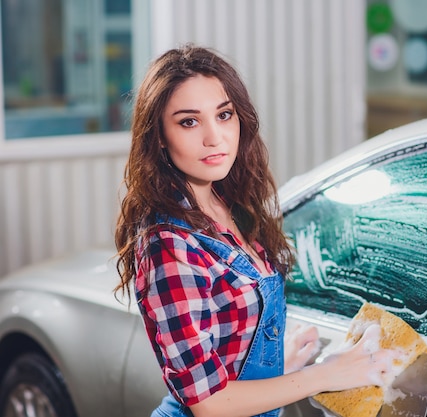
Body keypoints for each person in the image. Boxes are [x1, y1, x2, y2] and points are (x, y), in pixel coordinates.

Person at [114, 44, 396, 417]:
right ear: (159, 137)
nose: (215, 137)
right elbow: (210, 403)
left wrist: (282, 366)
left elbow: (227, 345)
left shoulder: (226, 204)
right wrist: (328, 374)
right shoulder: (169, 244)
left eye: (224, 115)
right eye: (189, 121)